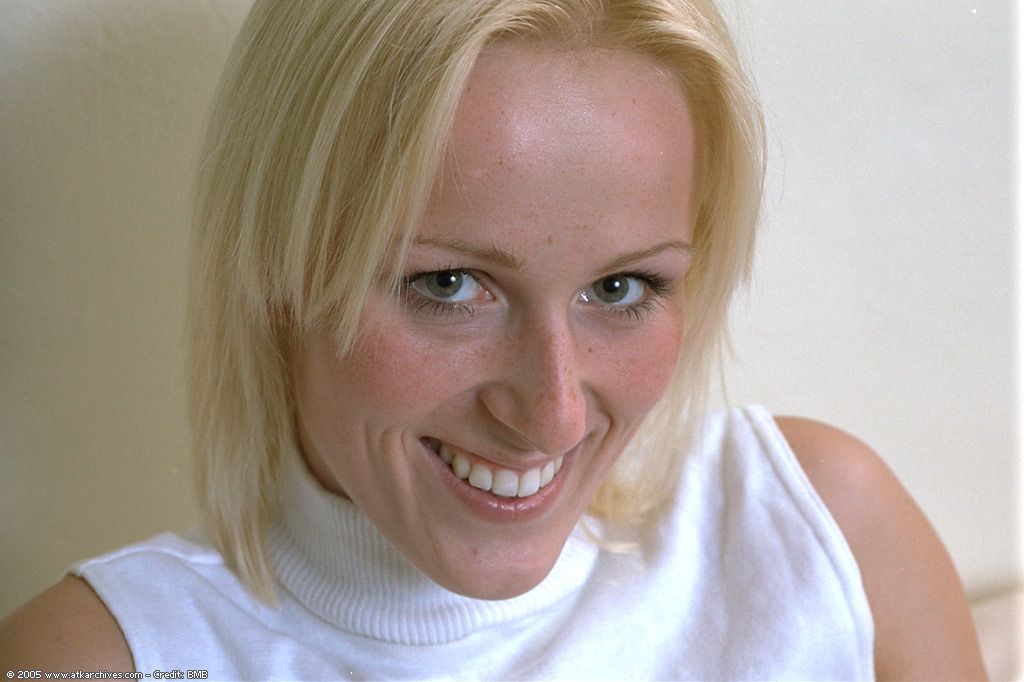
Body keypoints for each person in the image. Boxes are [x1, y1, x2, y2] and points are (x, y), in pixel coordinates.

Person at [0, 0, 986, 678]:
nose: (551, 412)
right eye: (448, 286)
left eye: (621, 287)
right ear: (278, 270)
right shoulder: (107, 657)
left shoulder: (819, 535)